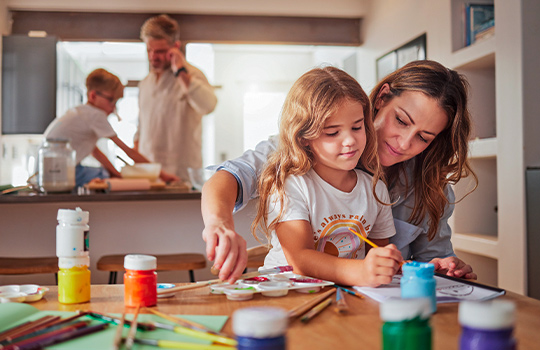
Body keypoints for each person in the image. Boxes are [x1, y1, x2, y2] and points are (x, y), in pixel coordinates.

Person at [202, 60, 478, 284]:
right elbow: (231, 176)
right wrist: (219, 223)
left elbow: (418, 259)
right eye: (401, 121)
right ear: (382, 98)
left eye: (424, 137)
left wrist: (437, 270)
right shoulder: (301, 154)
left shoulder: (425, 188)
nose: (404, 143)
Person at [251, 67, 403, 286]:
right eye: (333, 132)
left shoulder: (375, 188)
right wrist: (362, 271)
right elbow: (300, 260)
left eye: (357, 127)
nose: (350, 140)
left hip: (343, 294)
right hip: (285, 292)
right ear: (303, 137)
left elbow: (376, 253)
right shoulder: (293, 185)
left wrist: (386, 264)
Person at [44, 68, 179, 187]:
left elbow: (94, 151)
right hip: (61, 172)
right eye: (111, 100)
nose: (113, 108)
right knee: (103, 176)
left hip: (50, 171)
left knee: (104, 173)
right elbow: (129, 152)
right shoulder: (95, 115)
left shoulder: (81, 112)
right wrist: (162, 175)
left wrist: (116, 174)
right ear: (93, 96)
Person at [135, 14, 218, 183]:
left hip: (181, 176)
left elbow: (209, 105)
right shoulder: (145, 83)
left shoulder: (192, 74)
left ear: (176, 47)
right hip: (148, 175)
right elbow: (141, 127)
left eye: (160, 51)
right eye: (149, 50)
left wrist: (181, 73)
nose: (153, 56)